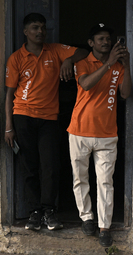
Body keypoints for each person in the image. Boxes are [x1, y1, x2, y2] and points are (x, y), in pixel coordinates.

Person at [4, 13, 88, 231]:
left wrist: (69, 59)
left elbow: (84, 52)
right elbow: (9, 94)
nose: (40, 32)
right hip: (22, 116)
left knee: (50, 166)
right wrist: (8, 127)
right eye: (34, 28)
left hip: (49, 118)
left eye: (42, 27)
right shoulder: (16, 58)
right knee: (29, 166)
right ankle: (34, 213)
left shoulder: (55, 50)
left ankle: (49, 211)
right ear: (25, 32)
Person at [67, 23, 131, 247]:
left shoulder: (119, 67)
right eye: (101, 39)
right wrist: (109, 64)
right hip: (79, 131)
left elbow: (125, 93)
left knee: (105, 182)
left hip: (106, 134)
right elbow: (85, 84)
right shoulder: (82, 64)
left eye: (108, 39)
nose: (106, 42)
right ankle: (86, 217)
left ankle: (105, 226)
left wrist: (127, 65)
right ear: (91, 43)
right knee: (80, 178)